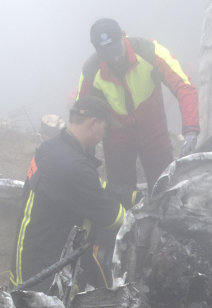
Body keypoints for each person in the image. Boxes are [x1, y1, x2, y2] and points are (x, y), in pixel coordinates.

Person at [11, 96, 132, 292]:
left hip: (28, 263)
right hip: (43, 279)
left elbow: (94, 185)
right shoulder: (72, 166)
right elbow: (116, 218)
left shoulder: (53, 148)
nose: (105, 134)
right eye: (105, 127)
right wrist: (149, 219)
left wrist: (133, 197)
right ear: (93, 123)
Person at [77, 18, 199, 194]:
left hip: (154, 130)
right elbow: (82, 113)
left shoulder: (149, 51)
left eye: (116, 50)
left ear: (123, 35)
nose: (114, 57)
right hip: (116, 137)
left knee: (164, 189)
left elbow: (183, 85)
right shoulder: (91, 69)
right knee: (121, 193)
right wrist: (85, 150)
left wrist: (190, 130)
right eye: (107, 53)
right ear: (97, 50)